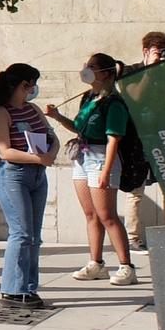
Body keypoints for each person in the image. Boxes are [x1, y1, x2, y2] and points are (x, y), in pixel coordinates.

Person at [44, 54, 136, 286]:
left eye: (91, 67)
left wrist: (106, 171)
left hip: (101, 157)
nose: (85, 69)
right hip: (83, 157)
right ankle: (96, 263)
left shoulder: (113, 102)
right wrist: (57, 117)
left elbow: (114, 138)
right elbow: (78, 127)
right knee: (90, 214)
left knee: (107, 215)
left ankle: (127, 266)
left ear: (105, 73)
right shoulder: (88, 97)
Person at [0, 62, 55, 308]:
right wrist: (37, 158)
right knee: (21, 233)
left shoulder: (33, 109)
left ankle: (28, 286)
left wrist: (50, 153)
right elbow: (5, 151)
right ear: (21, 85)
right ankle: (12, 289)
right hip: (14, 175)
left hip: (38, 174)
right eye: (30, 84)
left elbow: (50, 135)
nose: (33, 89)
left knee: (34, 236)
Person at [120, 31, 165, 250]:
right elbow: (135, 96)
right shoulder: (129, 72)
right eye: (157, 50)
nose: (161, 54)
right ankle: (133, 236)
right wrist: (148, 70)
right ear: (146, 51)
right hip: (137, 139)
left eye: (164, 50)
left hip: (162, 135)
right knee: (136, 190)